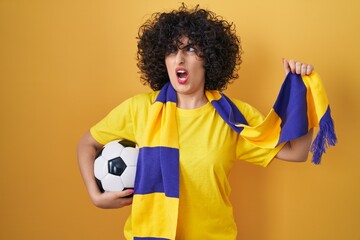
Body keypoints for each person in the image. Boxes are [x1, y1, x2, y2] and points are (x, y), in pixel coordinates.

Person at [77, 4, 316, 239]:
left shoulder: (233, 117)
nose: (179, 59)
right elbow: (87, 143)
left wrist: (302, 95)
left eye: (190, 48)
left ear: (208, 59)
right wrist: (95, 195)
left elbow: (296, 152)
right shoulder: (139, 109)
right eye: (171, 50)